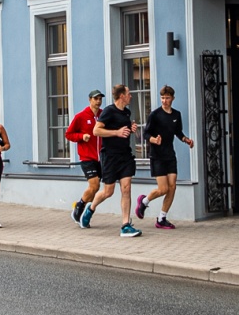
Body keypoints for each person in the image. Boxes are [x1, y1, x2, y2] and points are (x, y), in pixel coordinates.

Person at [136, 86, 194, 229]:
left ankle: (162, 218)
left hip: (170, 155)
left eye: (167, 98)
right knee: (163, 189)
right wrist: (154, 140)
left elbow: (178, 132)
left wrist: (186, 140)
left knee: (172, 187)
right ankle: (144, 201)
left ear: (173, 98)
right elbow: (146, 133)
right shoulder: (155, 115)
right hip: (157, 156)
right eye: (162, 98)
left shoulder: (176, 115)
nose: (164, 101)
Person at [94, 84, 141, 238]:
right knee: (108, 191)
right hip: (110, 156)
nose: (131, 96)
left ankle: (125, 225)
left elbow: (124, 131)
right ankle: (91, 208)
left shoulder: (127, 112)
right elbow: (96, 130)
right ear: (122, 96)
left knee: (126, 188)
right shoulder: (108, 111)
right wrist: (117, 132)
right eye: (129, 93)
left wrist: (131, 129)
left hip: (125, 156)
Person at [67, 89, 105, 225]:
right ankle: (79, 207)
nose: (98, 101)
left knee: (95, 188)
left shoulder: (103, 115)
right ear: (90, 100)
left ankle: (83, 214)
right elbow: (69, 134)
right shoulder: (81, 116)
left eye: (100, 99)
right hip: (87, 157)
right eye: (96, 99)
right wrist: (82, 136)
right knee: (94, 185)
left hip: (101, 157)